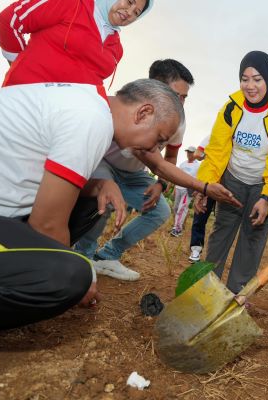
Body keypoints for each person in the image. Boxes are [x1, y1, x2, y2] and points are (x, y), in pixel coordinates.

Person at [0, 78, 184, 386]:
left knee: (91, 201)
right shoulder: (90, 119)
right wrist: (84, 280)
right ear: (143, 112)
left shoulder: (88, 105)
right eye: (158, 139)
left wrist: (101, 184)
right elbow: (47, 225)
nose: (154, 150)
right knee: (68, 276)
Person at [74, 60, 241, 280]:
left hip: (133, 174)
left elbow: (168, 159)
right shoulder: (123, 107)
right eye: (176, 95)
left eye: (184, 98)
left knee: (160, 211)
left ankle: (107, 255)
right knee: (103, 199)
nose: (180, 103)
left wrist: (160, 184)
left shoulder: (176, 123)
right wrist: (204, 186)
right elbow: (157, 163)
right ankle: (82, 258)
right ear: (155, 88)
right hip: (102, 163)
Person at [195, 50, 268, 294]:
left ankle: (235, 296)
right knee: (221, 234)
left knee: (252, 240)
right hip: (233, 182)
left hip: (264, 185)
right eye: (245, 78)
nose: (250, 86)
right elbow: (216, 150)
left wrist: (267, 195)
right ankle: (207, 291)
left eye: (257, 79)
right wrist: (205, 186)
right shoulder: (231, 108)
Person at [0, 0, 153, 91]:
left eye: (136, 12)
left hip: (61, 122)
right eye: (130, 1)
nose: (130, 12)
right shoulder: (72, 3)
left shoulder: (117, 48)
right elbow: (10, 19)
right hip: (23, 98)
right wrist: (18, 62)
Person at [187, 134, 215, 262]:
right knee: (201, 213)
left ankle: (214, 254)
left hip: (229, 181)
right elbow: (198, 154)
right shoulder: (213, 135)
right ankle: (196, 248)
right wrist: (212, 157)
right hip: (209, 179)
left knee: (223, 220)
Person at [170, 146, 200, 237]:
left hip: (188, 190)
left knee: (182, 208)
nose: (189, 154)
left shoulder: (198, 166)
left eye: (191, 152)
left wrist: (197, 191)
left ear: (195, 153)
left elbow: (199, 179)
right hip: (178, 188)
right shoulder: (182, 164)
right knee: (175, 208)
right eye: (188, 152)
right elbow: (177, 176)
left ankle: (177, 229)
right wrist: (174, 188)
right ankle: (178, 225)